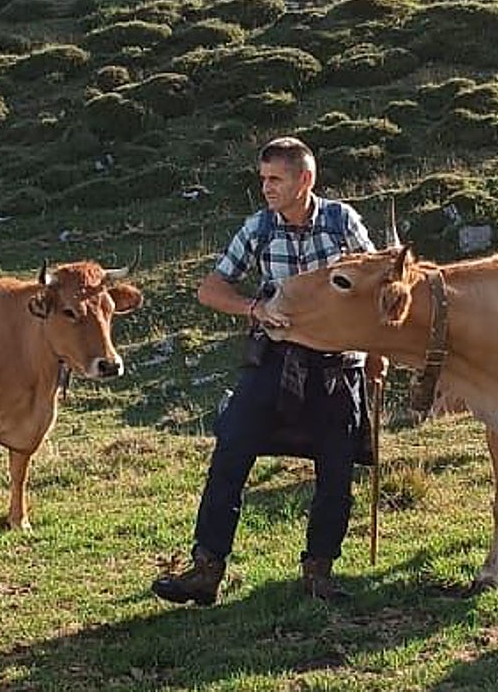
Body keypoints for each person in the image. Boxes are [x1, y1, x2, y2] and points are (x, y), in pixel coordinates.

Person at [152, 136, 382, 605]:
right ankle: (206, 570)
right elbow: (210, 289)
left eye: (275, 179)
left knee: (335, 473)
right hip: (275, 357)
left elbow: (378, 282)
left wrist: (377, 352)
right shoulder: (258, 228)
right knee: (230, 452)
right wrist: (255, 308)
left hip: (338, 364)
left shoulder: (342, 222)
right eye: (263, 179)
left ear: (305, 179)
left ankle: (319, 573)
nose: (267, 188)